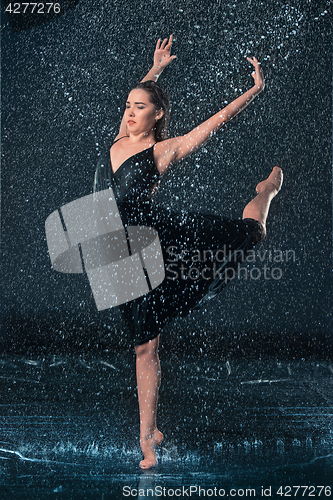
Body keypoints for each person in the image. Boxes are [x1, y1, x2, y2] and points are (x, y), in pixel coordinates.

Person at [94, 35, 283, 469]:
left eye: (140, 108)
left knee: (249, 232)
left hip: (155, 246)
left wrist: (253, 90)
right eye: (127, 106)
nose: (129, 113)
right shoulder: (119, 138)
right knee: (142, 347)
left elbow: (213, 123)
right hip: (115, 252)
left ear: (157, 115)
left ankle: (266, 194)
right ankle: (150, 430)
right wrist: (155, 68)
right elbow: (137, 99)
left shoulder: (161, 151)